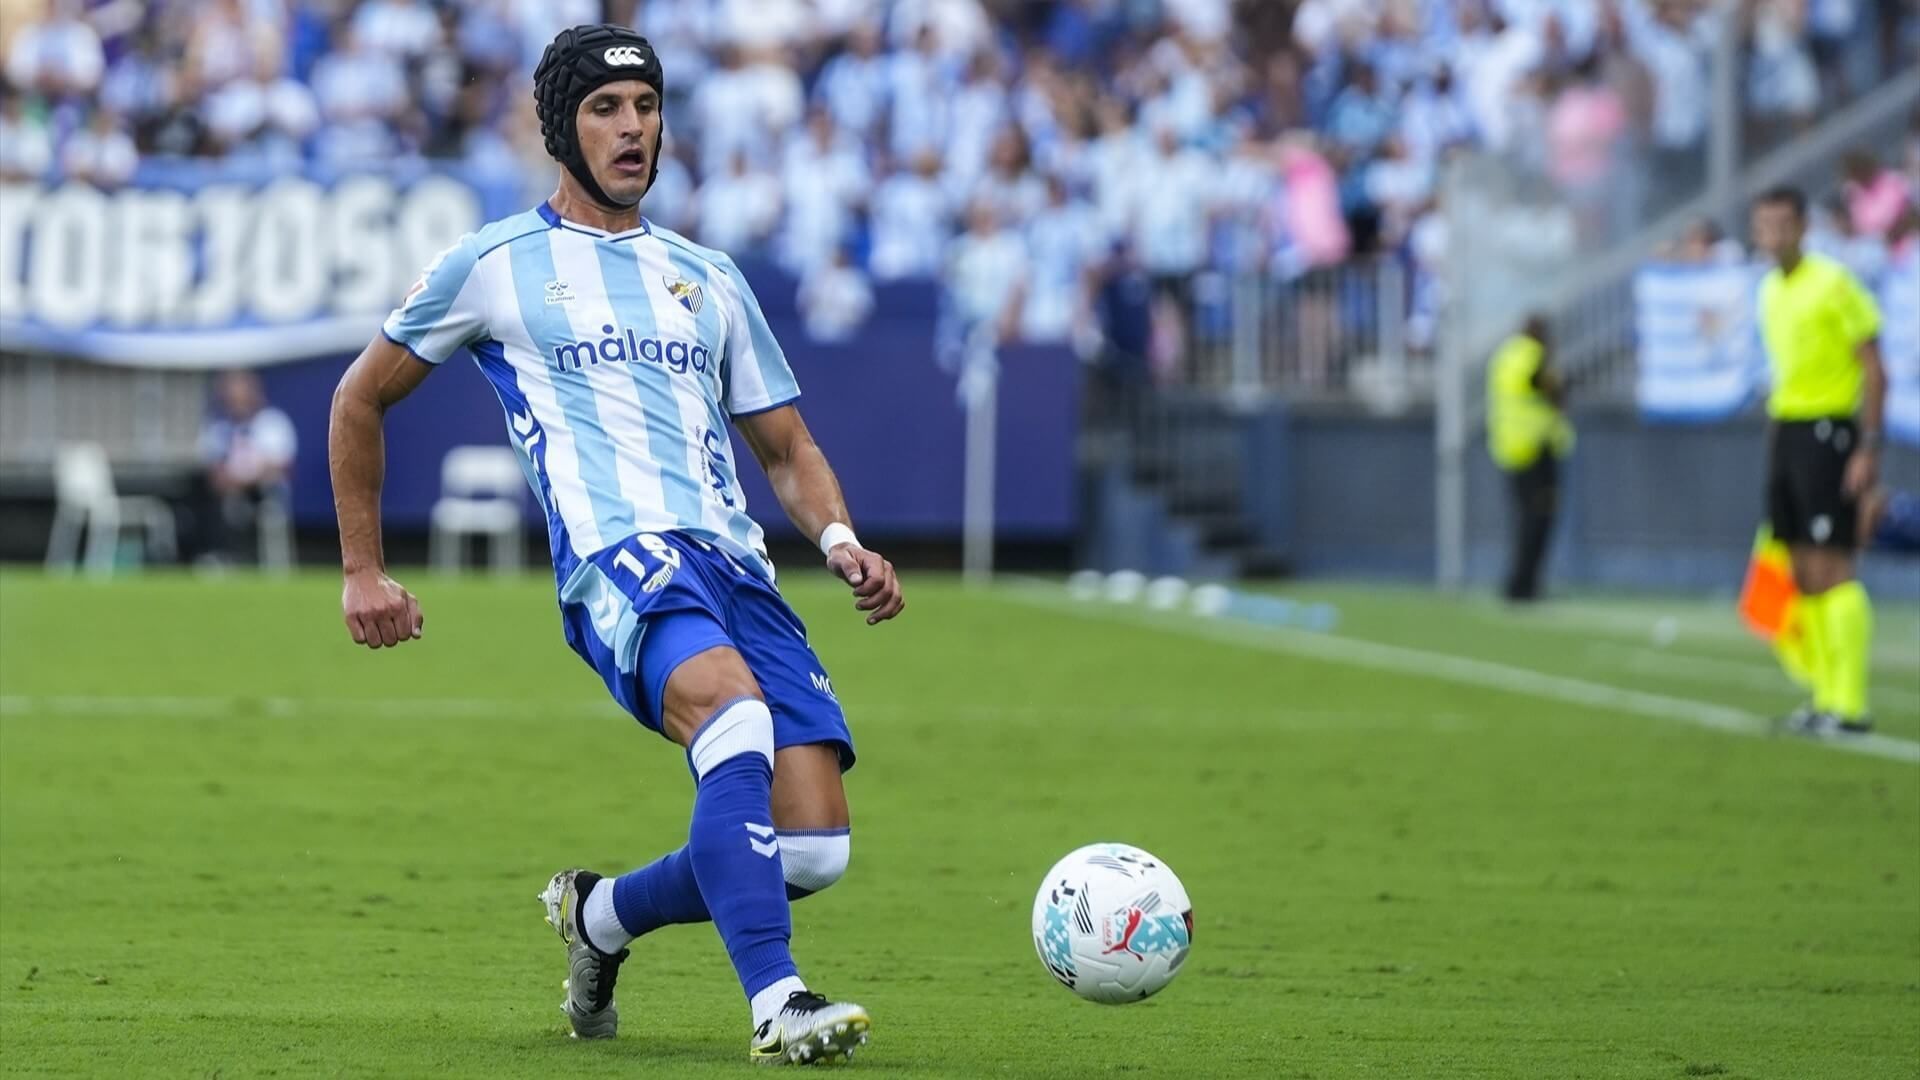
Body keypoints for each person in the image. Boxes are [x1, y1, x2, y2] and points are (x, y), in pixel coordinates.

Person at [326, 26, 903, 1066]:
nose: (633, 128)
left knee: (813, 846)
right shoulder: (494, 265)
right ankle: (778, 1003)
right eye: (605, 108)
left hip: (736, 568)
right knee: (730, 720)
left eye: (644, 106)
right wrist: (363, 567)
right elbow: (359, 397)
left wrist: (839, 535)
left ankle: (599, 919)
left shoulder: (707, 275)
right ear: (562, 126)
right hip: (619, 558)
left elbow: (786, 443)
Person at [1751, 185, 1885, 738]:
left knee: (1832, 564)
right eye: (1764, 226)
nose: (1774, 236)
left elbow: (1874, 369)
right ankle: (1823, 698)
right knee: (1802, 568)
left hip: (1830, 430)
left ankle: (1850, 705)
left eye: (1784, 224)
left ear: (1804, 227)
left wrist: (1868, 446)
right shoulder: (1768, 291)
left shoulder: (1833, 283)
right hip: (1789, 431)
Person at [1486, 314, 1573, 603]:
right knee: (1539, 519)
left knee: (1525, 519)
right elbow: (1548, 388)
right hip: (1536, 448)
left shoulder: (1506, 354)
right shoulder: (1533, 356)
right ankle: (1525, 585)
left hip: (1511, 447)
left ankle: (1519, 583)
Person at [193, 369, 296, 565]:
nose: (236, 402)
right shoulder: (218, 428)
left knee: (252, 497)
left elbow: (280, 466)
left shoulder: (271, 422)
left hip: (263, 490)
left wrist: (247, 479)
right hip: (229, 491)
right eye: (231, 396)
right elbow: (214, 470)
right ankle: (217, 557)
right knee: (208, 497)